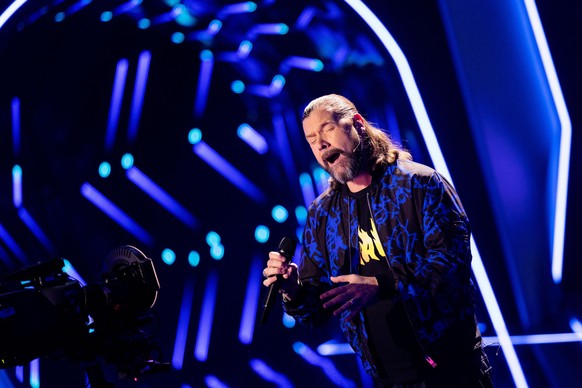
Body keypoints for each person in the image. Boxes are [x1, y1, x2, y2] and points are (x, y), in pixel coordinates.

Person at [262, 94, 493, 387]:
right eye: (311, 139)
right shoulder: (323, 213)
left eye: (327, 129)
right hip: (387, 379)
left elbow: (451, 265)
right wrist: (293, 290)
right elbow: (317, 311)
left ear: (357, 124)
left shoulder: (419, 184)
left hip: (453, 371)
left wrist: (381, 285)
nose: (320, 144)